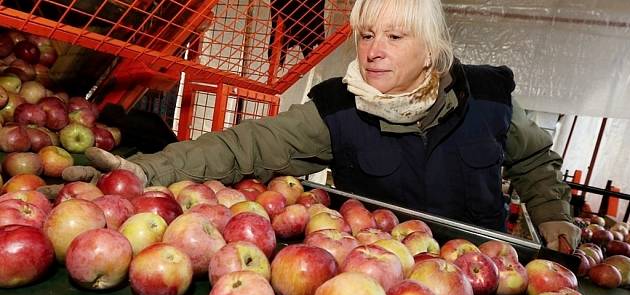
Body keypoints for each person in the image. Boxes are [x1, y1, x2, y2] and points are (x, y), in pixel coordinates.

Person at [57, 0, 579, 250]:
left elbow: (533, 158)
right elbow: (245, 146)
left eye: (395, 38)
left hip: (481, 267)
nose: (373, 51)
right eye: (367, 35)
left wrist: (554, 215)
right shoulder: (337, 109)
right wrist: (145, 171)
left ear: (432, 51)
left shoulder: (488, 98)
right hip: (376, 277)